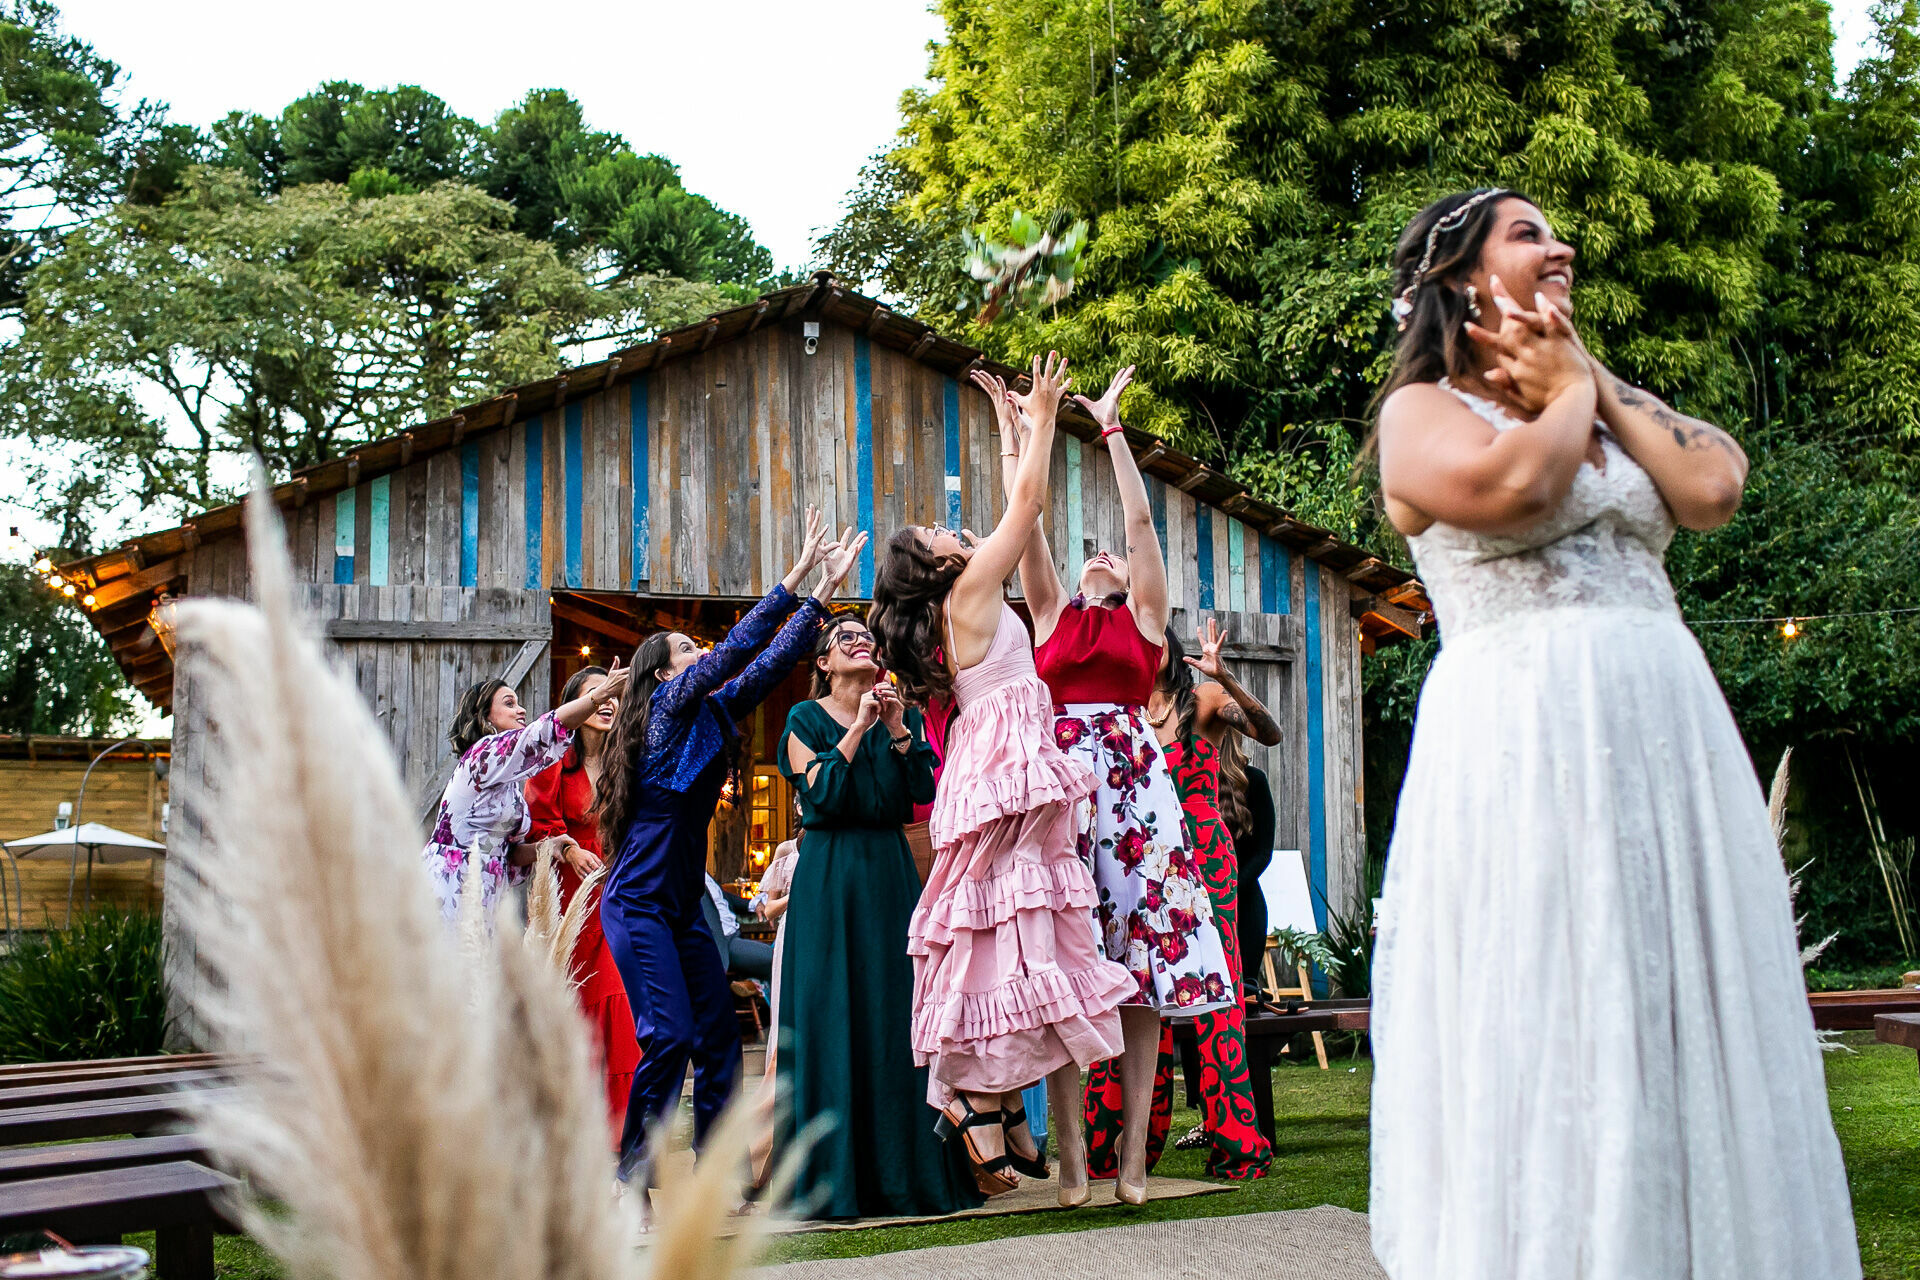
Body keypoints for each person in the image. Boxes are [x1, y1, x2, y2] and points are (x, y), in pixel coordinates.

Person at [1369, 188, 1859, 1279]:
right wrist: (1571, 393)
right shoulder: (1421, 412)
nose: (1563, 246)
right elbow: (1516, 482)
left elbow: (1713, 480)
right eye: (1528, 234)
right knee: (1552, 995)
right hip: (1523, 731)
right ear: (1460, 275)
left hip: (1663, 729)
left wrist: (1585, 375)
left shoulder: (1590, 389)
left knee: (1677, 993)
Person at [872, 351, 1134, 1199]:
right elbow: (1026, 509)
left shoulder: (960, 599)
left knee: (1003, 939)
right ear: (932, 567)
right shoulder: (970, 593)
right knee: (1012, 937)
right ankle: (984, 1100)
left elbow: (1011, 513)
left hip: (998, 770)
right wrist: (1050, 415)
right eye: (936, 535)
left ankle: (993, 1105)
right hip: (1008, 774)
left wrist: (1008, 429)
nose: (952, 530)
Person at [974, 362, 1234, 1203]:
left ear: (1126, 578)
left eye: (1112, 556)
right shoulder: (1047, 612)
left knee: (1142, 980)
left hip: (1131, 793)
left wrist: (1113, 427)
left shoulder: (1144, 620)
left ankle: (1129, 1165)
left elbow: (1140, 517)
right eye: (1097, 555)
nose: (1103, 553)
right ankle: (1074, 1163)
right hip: (1061, 792)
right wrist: (1017, 439)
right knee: (1062, 970)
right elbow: (1029, 521)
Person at [596, 506, 865, 1188]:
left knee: (718, 1039)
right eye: (685, 649)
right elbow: (739, 648)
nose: (697, 653)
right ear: (663, 674)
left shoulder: (713, 712)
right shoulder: (663, 709)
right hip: (639, 905)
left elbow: (770, 662)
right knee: (670, 1036)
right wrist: (799, 574)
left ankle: (716, 1178)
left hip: (687, 906)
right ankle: (629, 1180)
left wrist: (822, 599)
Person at [775, 612, 984, 1218]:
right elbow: (822, 794)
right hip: (829, 878)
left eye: (867, 638)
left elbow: (919, 790)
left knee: (897, 1012)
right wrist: (856, 727)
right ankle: (829, 1178)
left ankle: (904, 1174)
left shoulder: (904, 716)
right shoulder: (803, 719)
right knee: (830, 1013)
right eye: (846, 638)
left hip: (890, 873)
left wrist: (894, 728)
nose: (862, 642)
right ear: (823, 663)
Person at [1138, 621, 1281, 1175]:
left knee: (1216, 996)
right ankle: (1128, 1144)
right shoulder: (1119, 709)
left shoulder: (1202, 698)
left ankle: (1234, 1138)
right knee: (1137, 995)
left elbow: (1268, 733)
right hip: (1142, 858)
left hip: (1205, 855)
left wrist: (1227, 677)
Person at [524, 665, 643, 1145]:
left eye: (616, 693)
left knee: (623, 1017)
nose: (610, 701)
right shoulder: (553, 766)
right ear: (577, 704)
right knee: (574, 1018)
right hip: (571, 907)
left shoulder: (630, 762)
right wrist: (569, 847)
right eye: (597, 693)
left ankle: (625, 1151)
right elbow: (535, 826)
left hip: (620, 901)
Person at [422, 665, 628, 924]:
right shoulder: (482, 754)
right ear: (485, 718)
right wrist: (602, 693)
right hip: (450, 885)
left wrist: (550, 847)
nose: (521, 710)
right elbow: (540, 734)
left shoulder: (508, 788)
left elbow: (508, 853)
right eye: (509, 703)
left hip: (485, 891)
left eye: (519, 703)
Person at [1216, 733, 1278, 1000]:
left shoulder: (1254, 780)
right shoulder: (1189, 779)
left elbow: (1263, 852)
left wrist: (1229, 889)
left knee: (1245, 996)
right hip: (1199, 906)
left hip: (1244, 906)